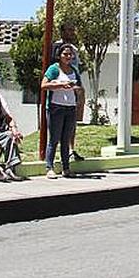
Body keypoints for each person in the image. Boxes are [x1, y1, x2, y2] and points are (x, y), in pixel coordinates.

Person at [41, 43, 84, 179]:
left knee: (66, 139)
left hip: (70, 107)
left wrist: (77, 91)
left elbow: (79, 86)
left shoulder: (74, 70)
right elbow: (44, 85)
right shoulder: (54, 69)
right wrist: (60, 85)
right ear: (59, 55)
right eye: (65, 54)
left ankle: (66, 167)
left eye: (70, 54)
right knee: (54, 138)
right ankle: (49, 167)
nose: (68, 57)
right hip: (56, 107)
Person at [52, 20, 85, 161]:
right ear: (62, 31)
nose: (71, 33)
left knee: (72, 122)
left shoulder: (74, 49)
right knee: (58, 124)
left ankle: (71, 149)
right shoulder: (57, 46)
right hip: (59, 90)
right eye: (68, 29)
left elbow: (77, 68)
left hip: (74, 88)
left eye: (73, 30)